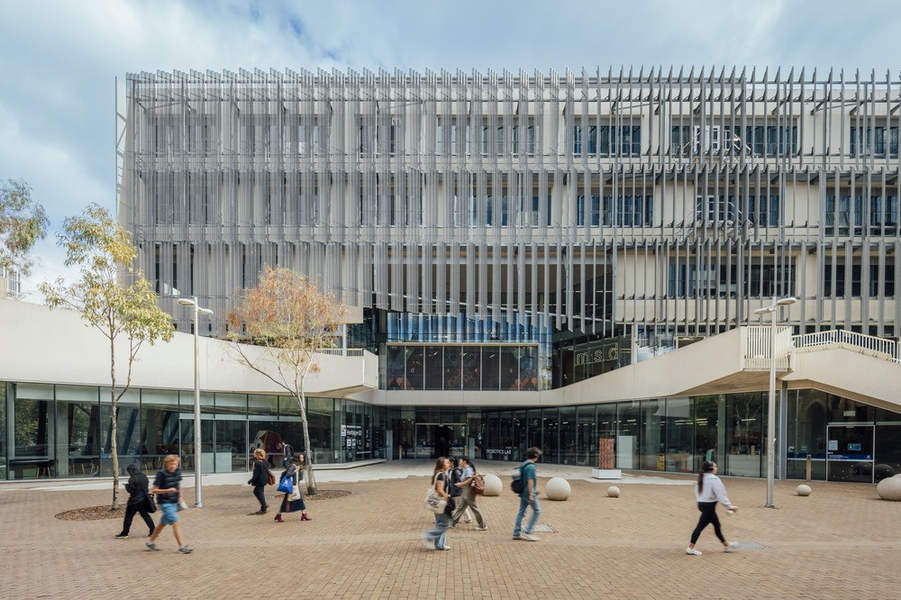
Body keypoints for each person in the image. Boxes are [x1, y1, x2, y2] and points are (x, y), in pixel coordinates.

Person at [686, 461, 738, 555]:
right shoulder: (714, 479)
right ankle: (690, 548)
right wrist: (730, 507)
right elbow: (721, 496)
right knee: (700, 527)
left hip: (702, 504)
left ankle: (726, 545)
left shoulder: (701, 478)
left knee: (717, 525)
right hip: (709, 506)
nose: (716, 468)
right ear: (711, 469)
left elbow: (697, 493)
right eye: (715, 467)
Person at [146, 454, 192, 554]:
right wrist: (167, 490)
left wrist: (180, 497)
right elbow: (154, 490)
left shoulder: (178, 472)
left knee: (162, 523)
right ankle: (182, 546)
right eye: (171, 464)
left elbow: (178, 486)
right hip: (164, 503)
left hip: (174, 503)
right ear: (167, 464)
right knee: (176, 521)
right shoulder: (161, 474)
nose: (173, 466)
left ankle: (150, 542)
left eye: (175, 464)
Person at [116, 463, 155, 539]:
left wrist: (127, 486)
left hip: (134, 501)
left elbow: (132, 491)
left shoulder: (132, 479)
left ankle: (125, 533)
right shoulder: (144, 476)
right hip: (144, 500)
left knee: (128, 517)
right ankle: (153, 530)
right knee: (145, 516)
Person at [422, 457, 453, 551]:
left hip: (438, 502)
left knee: (441, 523)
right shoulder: (441, 475)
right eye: (446, 463)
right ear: (442, 465)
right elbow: (439, 490)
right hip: (440, 502)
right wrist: (447, 498)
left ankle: (440, 545)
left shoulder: (441, 474)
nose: (449, 464)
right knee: (446, 523)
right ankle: (428, 536)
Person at [512, 446, 542, 542]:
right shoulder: (531, 466)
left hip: (523, 492)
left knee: (521, 512)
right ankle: (528, 531)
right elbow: (530, 481)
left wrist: (534, 490)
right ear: (535, 456)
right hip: (528, 493)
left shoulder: (524, 464)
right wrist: (531, 494)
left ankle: (516, 533)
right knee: (537, 511)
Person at [451, 456, 487, 530]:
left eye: (460, 461)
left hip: (468, 492)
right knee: (460, 508)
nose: (459, 463)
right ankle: (452, 523)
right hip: (465, 492)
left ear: (464, 462)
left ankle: (483, 525)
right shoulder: (465, 469)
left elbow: (469, 480)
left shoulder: (468, 470)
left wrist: (460, 484)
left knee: (474, 508)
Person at [274, 456, 311, 522]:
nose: (303, 459)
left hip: (295, 486)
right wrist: (296, 470)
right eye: (301, 458)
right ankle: (279, 514)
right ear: (298, 459)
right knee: (292, 501)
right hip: (292, 487)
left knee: (299, 500)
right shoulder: (293, 466)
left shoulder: (297, 466)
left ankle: (303, 514)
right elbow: (288, 475)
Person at [249, 448, 271, 515]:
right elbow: (267, 471)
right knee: (259, 492)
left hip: (260, 481)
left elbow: (256, 474)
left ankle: (264, 507)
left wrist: (251, 481)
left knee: (258, 492)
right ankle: (264, 505)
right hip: (264, 480)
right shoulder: (265, 462)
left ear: (256, 455)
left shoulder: (257, 463)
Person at [447, 458, 469, 525]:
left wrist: (457, 488)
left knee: (453, 505)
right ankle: (468, 518)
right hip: (452, 490)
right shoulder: (450, 470)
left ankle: (452, 519)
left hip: (457, 491)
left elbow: (460, 480)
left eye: (448, 462)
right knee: (460, 505)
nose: (447, 463)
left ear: (452, 462)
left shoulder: (456, 471)